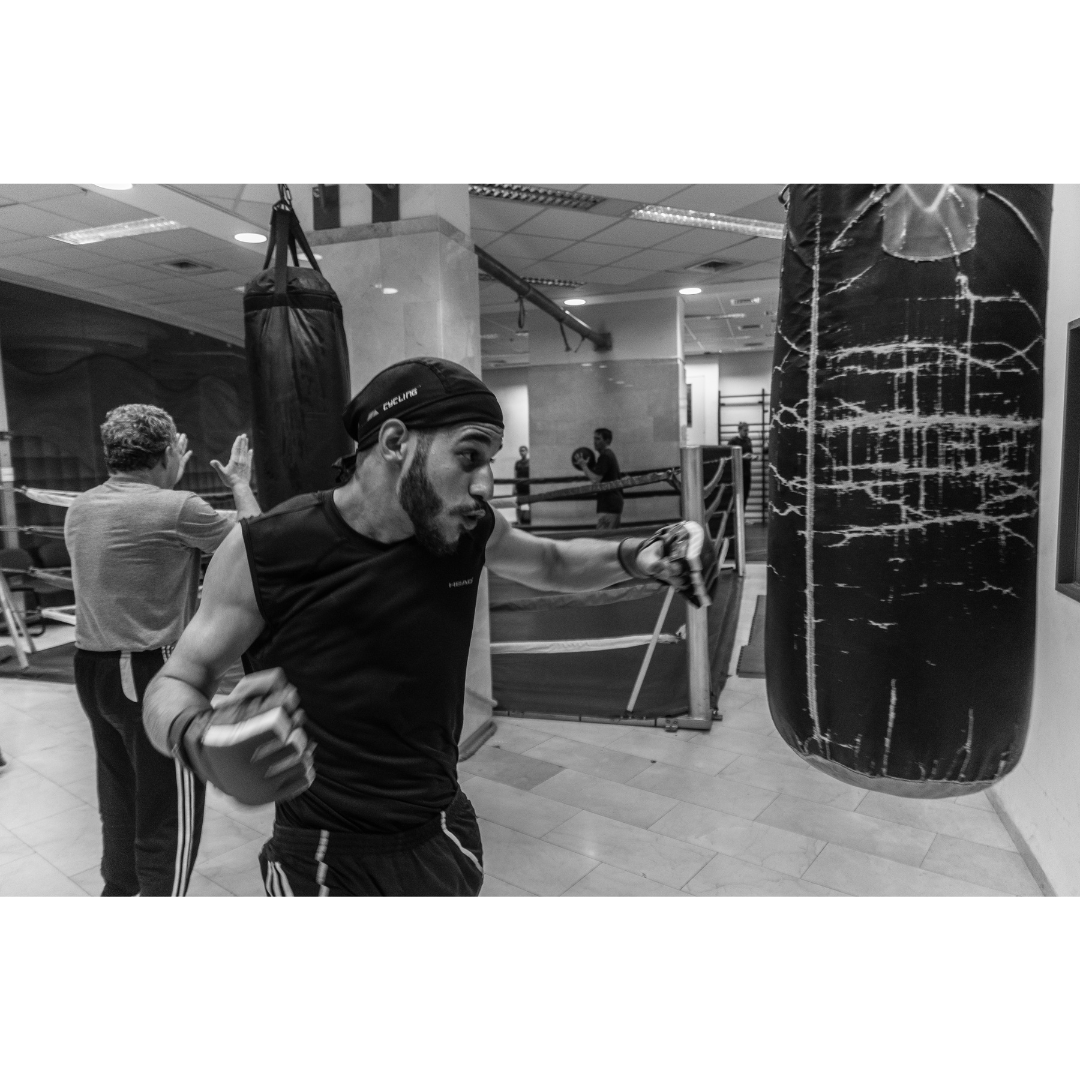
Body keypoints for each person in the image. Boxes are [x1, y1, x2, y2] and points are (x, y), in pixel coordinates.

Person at [142, 357, 709, 897]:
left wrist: (639, 555)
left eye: (490, 460)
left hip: (441, 827)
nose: (486, 484)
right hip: (323, 852)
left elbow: (550, 561)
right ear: (394, 442)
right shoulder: (267, 548)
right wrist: (194, 736)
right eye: (469, 456)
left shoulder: (465, 530)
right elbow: (177, 679)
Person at [66, 405, 261, 897]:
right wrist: (240, 484)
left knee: (121, 796)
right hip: (148, 671)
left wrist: (170, 482)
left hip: (92, 670)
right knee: (169, 810)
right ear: (169, 451)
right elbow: (262, 545)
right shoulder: (177, 508)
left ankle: (118, 889)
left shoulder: (81, 506)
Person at [573, 427, 623, 529]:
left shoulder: (605, 456)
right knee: (610, 536)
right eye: (594, 439)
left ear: (607, 441)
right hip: (612, 503)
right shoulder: (607, 455)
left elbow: (595, 480)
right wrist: (588, 467)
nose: (595, 442)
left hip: (609, 504)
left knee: (603, 536)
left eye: (598, 439)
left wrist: (583, 466)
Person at [514, 445, 531, 527]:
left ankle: (532, 520)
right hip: (519, 487)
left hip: (528, 487)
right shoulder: (517, 463)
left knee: (531, 503)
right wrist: (514, 488)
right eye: (521, 451)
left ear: (527, 452)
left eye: (524, 450)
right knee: (518, 504)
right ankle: (519, 521)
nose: (522, 452)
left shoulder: (530, 462)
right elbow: (515, 476)